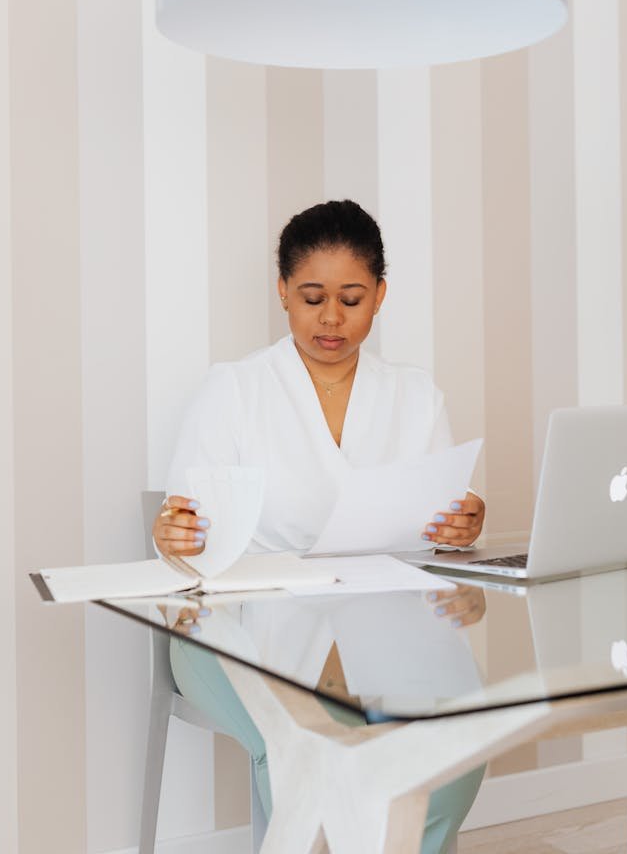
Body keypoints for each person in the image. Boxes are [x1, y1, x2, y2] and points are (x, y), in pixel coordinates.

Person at [153, 199, 486, 853]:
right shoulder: (236, 390)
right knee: (303, 751)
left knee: (455, 746)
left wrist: (461, 522)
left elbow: (436, 521)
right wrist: (176, 536)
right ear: (282, 291)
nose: (331, 318)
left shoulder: (415, 395)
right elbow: (184, 527)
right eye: (311, 297)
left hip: (380, 622)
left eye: (352, 298)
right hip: (240, 626)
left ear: (380, 296)